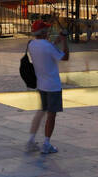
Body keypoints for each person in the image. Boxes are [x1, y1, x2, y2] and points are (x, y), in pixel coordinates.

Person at [26, 19, 70, 154]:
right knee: (51, 115)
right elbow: (65, 57)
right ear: (44, 32)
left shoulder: (32, 45)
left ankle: (31, 139)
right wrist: (64, 41)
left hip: (41, 85)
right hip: (53, 86)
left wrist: (55, 41)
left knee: (42, 110)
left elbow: (46, 48)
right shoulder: (48, 46)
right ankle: (46, 143)